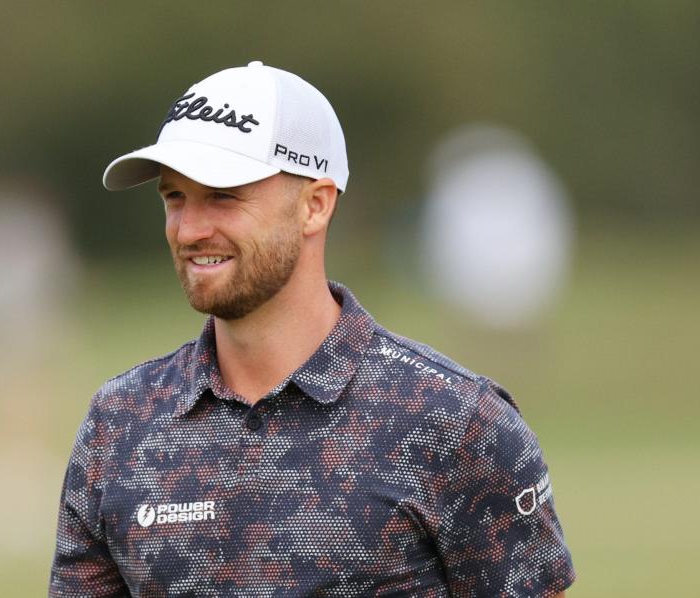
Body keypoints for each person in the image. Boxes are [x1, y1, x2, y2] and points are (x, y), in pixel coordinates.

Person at [49, 61, 575, 597]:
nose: (190, 229)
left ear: (315, 206)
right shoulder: (119, 424)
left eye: (224, 196)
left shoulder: (456, 422)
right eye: (174, 198)